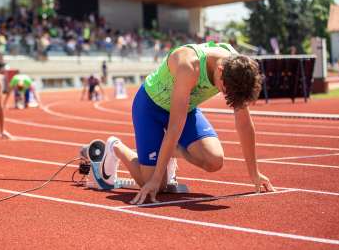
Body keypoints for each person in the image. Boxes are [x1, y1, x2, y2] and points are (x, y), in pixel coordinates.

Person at [83, 41, 275, 205]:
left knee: (214, 161)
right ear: (220, 70)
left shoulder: (236, 69)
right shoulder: (188, 65)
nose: (225, 95)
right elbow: (175, 126)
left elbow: (243, 123)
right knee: (156, 186)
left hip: (186, 108)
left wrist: (254, 173)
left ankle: (173, 153)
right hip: (150, 107)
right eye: (225, 91)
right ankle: (115, 147)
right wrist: (156, 179)